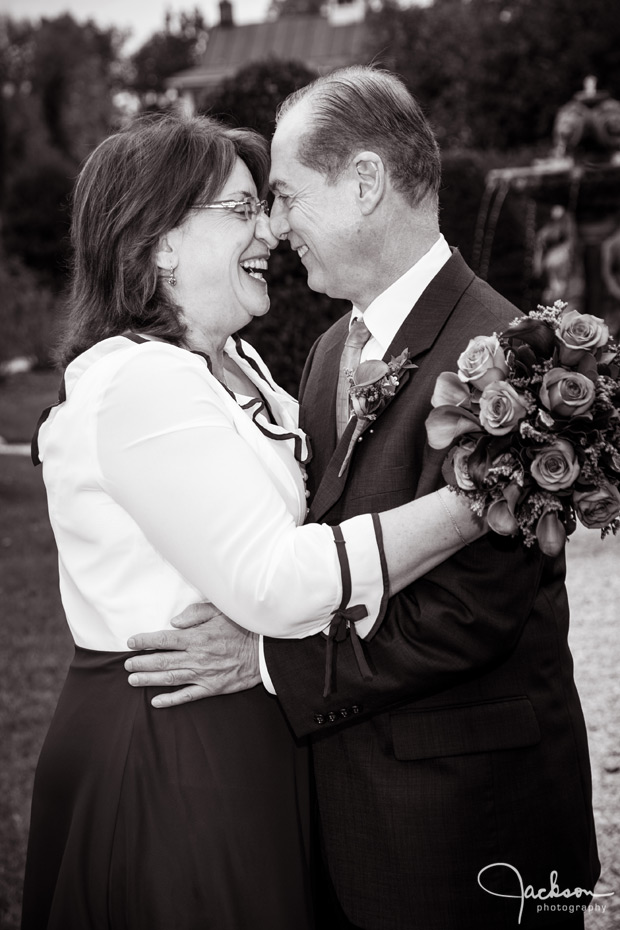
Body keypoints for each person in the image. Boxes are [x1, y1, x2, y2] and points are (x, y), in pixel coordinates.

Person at [127, 70, 600, 930]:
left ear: (366, 183)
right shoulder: (327, 352)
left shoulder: (508, 363)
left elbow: (469, 614)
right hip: (344, 817)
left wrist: (266, 661)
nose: (271, 227)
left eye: (283, 197)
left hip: (465, 831)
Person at [21, 113, 488, 930]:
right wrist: (471, 505)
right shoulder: (142, 383)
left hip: (246, 729)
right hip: (171, 741)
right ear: (159, 241)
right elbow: (273, 581)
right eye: (241, 210)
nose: (270, 228)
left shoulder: (241, 365)